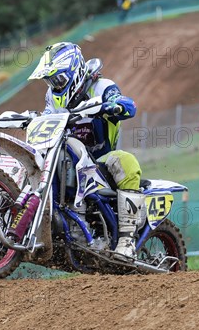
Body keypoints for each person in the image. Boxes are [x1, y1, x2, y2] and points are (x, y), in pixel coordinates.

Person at [28, 41, 142, 260]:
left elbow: (127, 105)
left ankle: (127, 241)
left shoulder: (102, 86)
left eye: (59, 79)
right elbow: (47, 117)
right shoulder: (52, 96)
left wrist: (114, 105)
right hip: (64, 159)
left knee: (125, 161)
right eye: (50, 81)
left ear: (76, 71)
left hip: (100, 161)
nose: (55, 85)